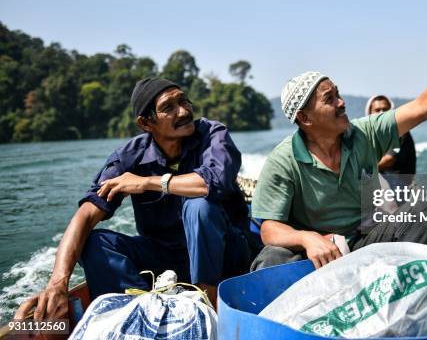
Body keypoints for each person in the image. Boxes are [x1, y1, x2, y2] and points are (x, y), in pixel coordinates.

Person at [251, 6, 427, 270]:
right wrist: (307, 238)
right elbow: (269, 229)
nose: (342, 103)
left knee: (423, 214)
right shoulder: (284, 160)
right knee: (273, 258)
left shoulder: (364, 134)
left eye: (338, 94)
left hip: (363, 244)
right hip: (316, 257)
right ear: (305, 118)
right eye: (329, 99)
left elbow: (424, 106)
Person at [15, 77, 253, 321]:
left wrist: (147, 182)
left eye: (183, 100)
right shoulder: (129, 157)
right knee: (95, 242)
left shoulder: (212, 134)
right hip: (165, 257)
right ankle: (140, 313)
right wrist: (58, 283)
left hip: (225, 253)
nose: (183, 111)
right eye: (168, 107)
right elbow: (86, 214)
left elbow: (213, 182)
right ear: (146, 123)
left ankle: (205, 308)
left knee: (199, 205)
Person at [365, 95, 417, 176]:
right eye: (377, 110)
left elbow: (388, 160)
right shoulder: (369, 135)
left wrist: (361, 170)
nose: (381, 113)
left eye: (385, 109)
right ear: (369, 113)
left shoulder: (400, 131)